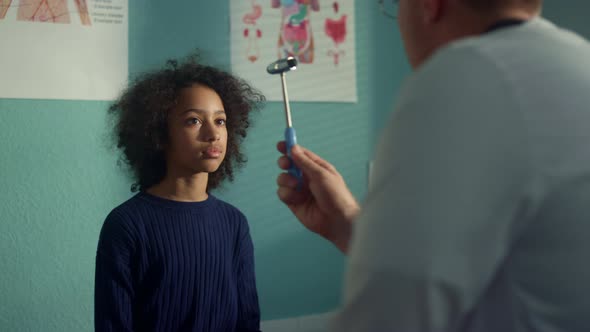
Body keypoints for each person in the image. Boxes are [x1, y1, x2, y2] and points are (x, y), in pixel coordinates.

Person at [276, 0, 590, 331]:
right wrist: (347, 224)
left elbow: (388, 315)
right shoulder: (577, 62)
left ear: (429, 5)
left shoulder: (464, 74)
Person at [95, 53, 265, 331]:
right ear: (159, 133)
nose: (213, 134)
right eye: (194, 121)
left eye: (220, 121)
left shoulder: (234, 223)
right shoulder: (126, 225)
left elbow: (247, 321)